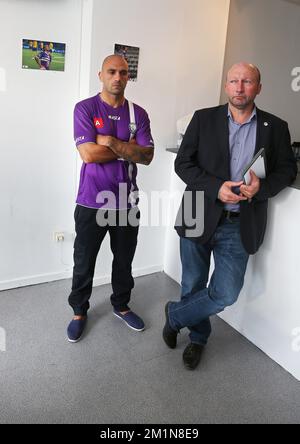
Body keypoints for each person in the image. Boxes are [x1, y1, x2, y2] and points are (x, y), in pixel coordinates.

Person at [163, 62, 297, 370]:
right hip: (200, 210)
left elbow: (288, 170)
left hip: (240, 222)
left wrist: (262, 188)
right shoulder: (203, 119)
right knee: (193, 281)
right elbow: (183, 163)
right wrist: (215, 187)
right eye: (234, 81)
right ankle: (198, 339)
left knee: (225, 293)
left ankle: (175, 315)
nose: (240, 87)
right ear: (226, 86)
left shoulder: (276, 127)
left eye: (247, 81)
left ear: (258, 87)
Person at [67, 55, 154, 343]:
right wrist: (129, 149)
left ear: (129, 77)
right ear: (101, 75)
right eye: (112, 72)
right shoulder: (86, 108)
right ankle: (79, 311)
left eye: (123, 73)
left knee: (124, 260)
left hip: (126, 204)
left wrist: (112, 143)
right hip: (91, 201)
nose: (118, 77)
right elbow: (89, 154)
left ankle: (121, 305)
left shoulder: (137, 114)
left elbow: (148, 156)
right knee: (84, 260)